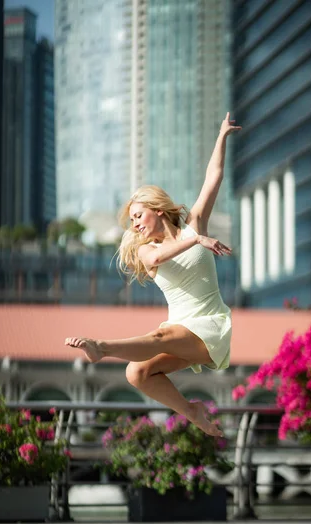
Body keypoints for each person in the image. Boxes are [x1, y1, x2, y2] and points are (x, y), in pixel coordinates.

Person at [65, 113, 241, 437]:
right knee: (137, 374)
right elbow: (160, 254)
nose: (135, 224)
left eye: (138, 215)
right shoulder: (146, 250)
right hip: (180, 329)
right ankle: (192, 411)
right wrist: (198, 239)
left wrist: (221, 136)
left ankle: (101, 347)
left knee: (159, 339)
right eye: (131, 220)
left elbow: (213, 176)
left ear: (157, 209)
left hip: (210, 326)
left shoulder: (194, 223)